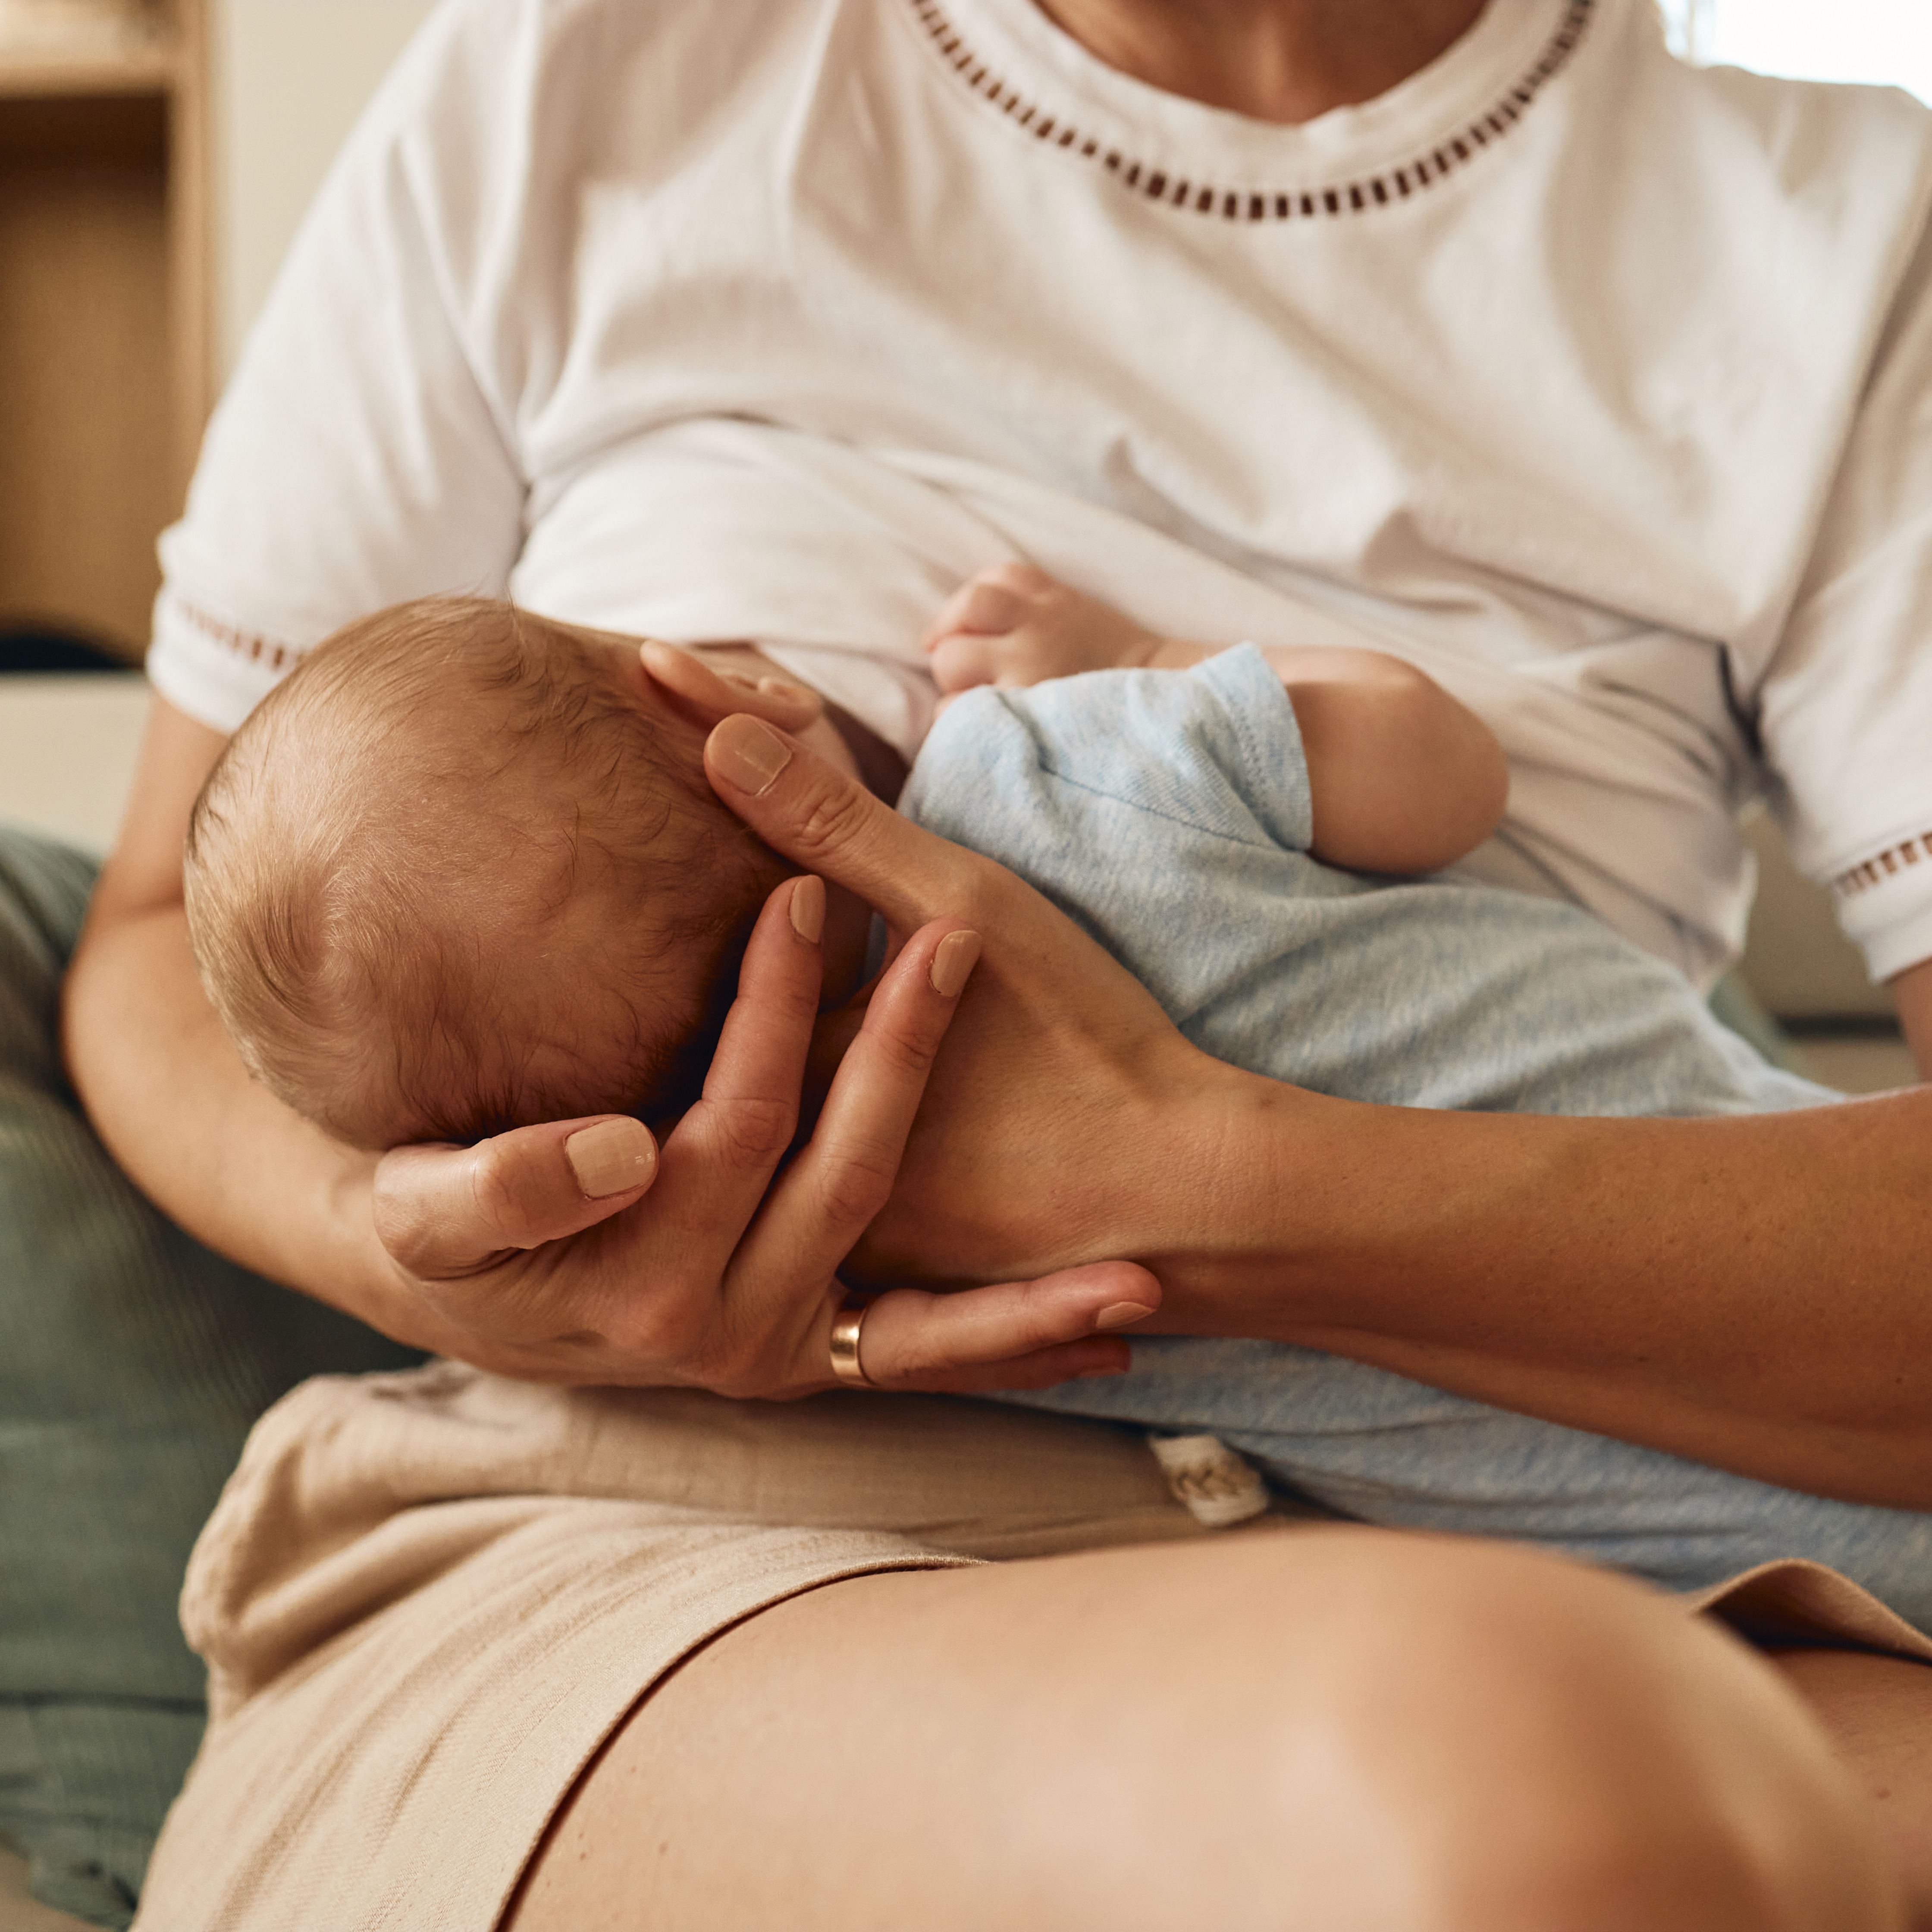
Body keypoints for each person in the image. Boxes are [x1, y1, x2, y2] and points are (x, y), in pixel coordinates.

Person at [57, 0, 1932, 1924]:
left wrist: (1184, 1178)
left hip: (1595, 1515)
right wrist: (493, 1264)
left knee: (1610, 1788)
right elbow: (156, 956)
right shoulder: (591, 68)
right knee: (1555, 1804)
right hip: (670, 1529)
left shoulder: (1841, 238)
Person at [184, 582, 1932, 1634]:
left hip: (1697, 1576)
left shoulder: (877, 1266)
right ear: (729, 699)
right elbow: (1435, 765)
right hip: (1788, 1272)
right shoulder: (1058, 767)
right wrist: (1149, 657)